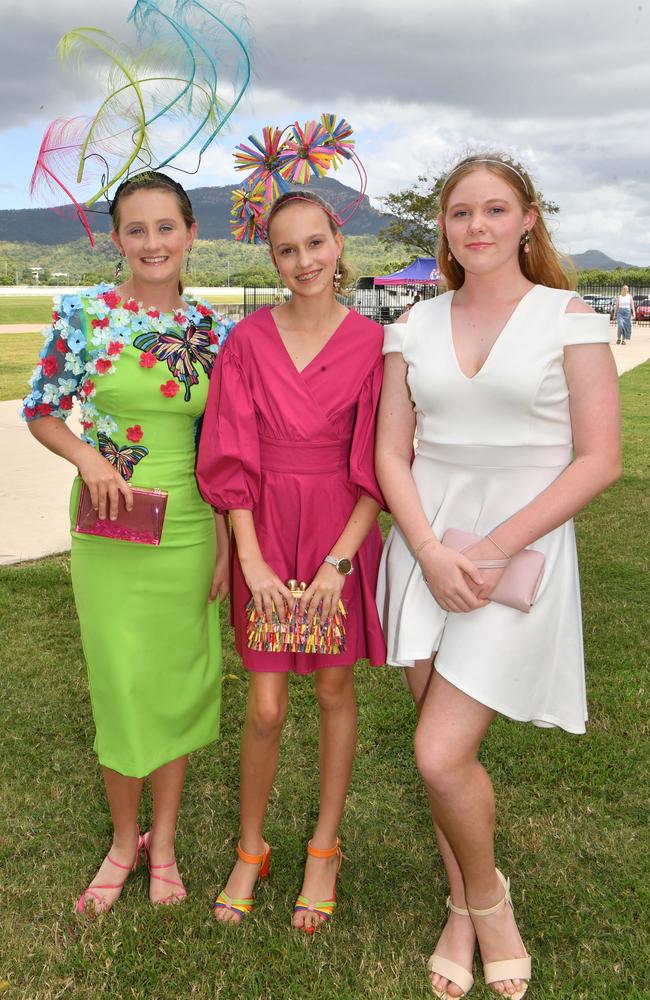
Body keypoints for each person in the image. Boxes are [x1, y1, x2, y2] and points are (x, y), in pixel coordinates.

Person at [375, 153, 620, 999]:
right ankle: (462, 905)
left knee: (440, 755)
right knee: (437, 751)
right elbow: (388, 452)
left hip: (515, 557)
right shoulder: (412, 323)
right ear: (442, 227)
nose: (475, 226)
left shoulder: (571, 318)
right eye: (458, 213)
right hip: (422, 551)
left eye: (493, 209)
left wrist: (482, 555)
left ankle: (489, 902)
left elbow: (599, 461)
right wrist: (431, 552)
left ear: (527, 220)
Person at [22, 171, 231, 913]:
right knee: (121, 682)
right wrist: (87, 457)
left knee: (175, 681)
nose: (152, 243)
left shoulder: (215, 328)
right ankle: (122, 841)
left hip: (191, 530)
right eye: (135, 230)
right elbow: (42, 408)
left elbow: (227, 446)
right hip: (112, 529)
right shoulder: (83, 317)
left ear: (190, 234)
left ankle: (164, 842)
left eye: (165, 227)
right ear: (116, 240)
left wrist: (230, 544)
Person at [197, 190, 386, 932]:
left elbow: (382, 458)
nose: (303, 261)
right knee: (267, 704)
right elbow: (229, 451)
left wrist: (341, 560)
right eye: (286, 249)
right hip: (267, 532)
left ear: (338, 243)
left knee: (335, 690)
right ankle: (251, 848)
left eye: (315, 243)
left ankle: (324, 848)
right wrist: (250, 559)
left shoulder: (376, 345)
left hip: (340, 531)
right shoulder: (245, 340)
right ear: (270, 257)